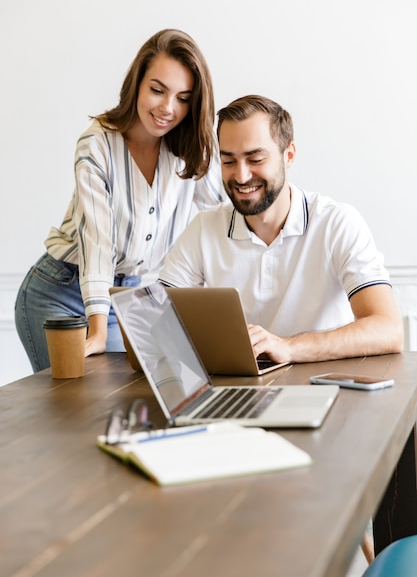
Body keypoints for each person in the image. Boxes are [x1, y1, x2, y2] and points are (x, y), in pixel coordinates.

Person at [15, 28, 224, 373]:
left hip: (127, 298)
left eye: (183, 98)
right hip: (59, 292)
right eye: (157, 90)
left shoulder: (191, 151)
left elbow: (226, 216)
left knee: (115, 408)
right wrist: (97, 332)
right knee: (73, 410)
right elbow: (98, 241)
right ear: (136, 84)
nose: (168, 108)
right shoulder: (96, 145)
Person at [159, 95, 404, 364]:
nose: (241, 176)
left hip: (325, 387)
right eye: (229, 161)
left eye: (255, 159)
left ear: (289, 156)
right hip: (242, 392)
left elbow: (388, 330)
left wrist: (288, 348)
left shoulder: (337, 223)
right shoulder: (204, 228)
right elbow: (151, 320)